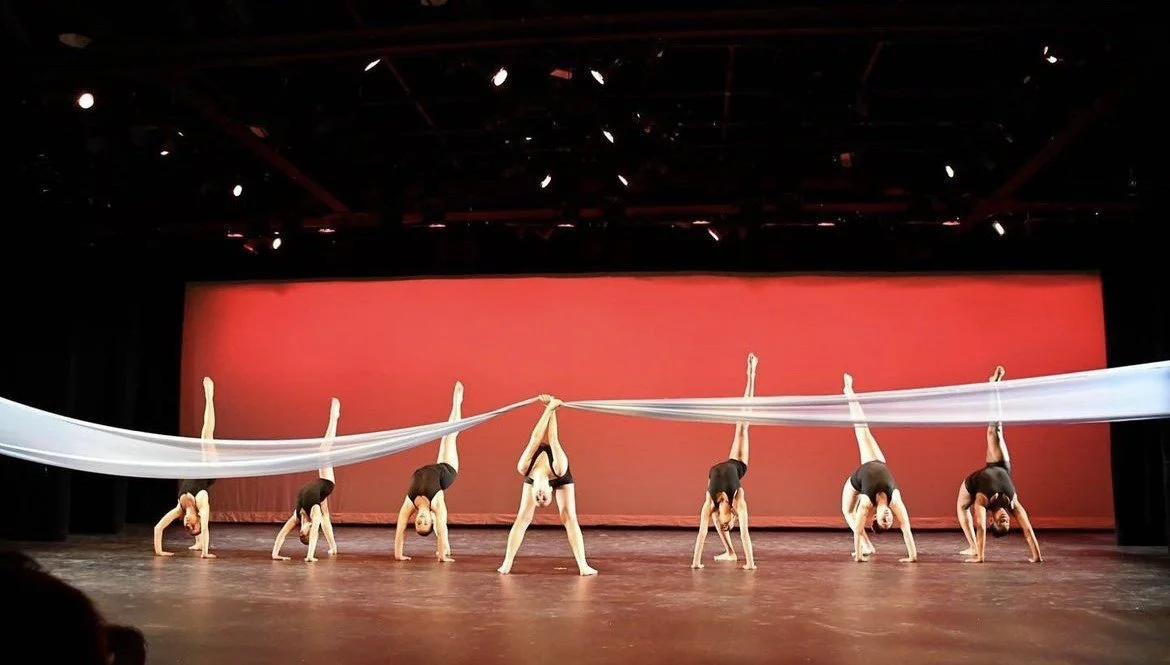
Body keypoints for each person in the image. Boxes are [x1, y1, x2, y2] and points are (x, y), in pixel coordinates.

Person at [497, 395, 597, 576]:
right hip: (560, 474)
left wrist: (549, 408)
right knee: (566, 516)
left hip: (537, 472)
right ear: (551, 490)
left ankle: (583, 565)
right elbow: (553, 438)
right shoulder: (559, 467)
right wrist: (552, 409)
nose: (541, 495)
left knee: (545, 517)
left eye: (538, 497)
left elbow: (535, 438)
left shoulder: (524, 467)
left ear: (533, 490)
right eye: (544, 498)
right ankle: (508, 563)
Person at [957, 365, 1043, 563]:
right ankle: (994, 385)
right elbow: (1028, 530)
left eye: (1000, 522)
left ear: (992, 521)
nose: (1005, 520)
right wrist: (1036, 557)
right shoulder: (1013, 504)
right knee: (995, 430)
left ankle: (972, 547)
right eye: (1007, 523)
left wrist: (981, 557)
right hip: (1000, 467)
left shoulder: (982, 502)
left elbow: (980, 527)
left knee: (961, 508)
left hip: (972, 482)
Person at [840, 373, 918, 563]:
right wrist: (912, 556)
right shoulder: (895, 501)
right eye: (890, 521)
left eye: (884, 521)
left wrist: (858, 556)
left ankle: (849, 392)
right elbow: (906, 528)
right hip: (879, 461)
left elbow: (858, 528)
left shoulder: (866, 503)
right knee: (864, 427)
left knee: (847, 511)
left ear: (875, 516)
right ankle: (849, 391)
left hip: (857, 480)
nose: (889, 519)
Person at [691, 352, 758, 571]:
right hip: (739, 465)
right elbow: (743, 533)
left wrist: (696, 562)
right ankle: (752, 375)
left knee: (741, 421)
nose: (732, 523)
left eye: (729, 523)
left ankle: (751, 374)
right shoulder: (736, 502)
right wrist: (750, 564)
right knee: (744, 424)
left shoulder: (712, 504)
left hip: (728, 461)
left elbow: (702, 533)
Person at [394, 381, 463, 563]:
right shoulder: (437, 505)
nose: (422, 520)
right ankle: (457, 402)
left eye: (418, 523)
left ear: (415, 519)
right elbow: (443, 530)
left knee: (445, 434)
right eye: (426, 523)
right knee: (451, 435)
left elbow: (400, 530)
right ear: (431, 520)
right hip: (447, 469)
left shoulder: (409, 505)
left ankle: (456, 403)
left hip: (434, 467)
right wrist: (442, 556)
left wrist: (398, 555)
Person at [154, 376, 217, 558]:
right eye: (192, 526)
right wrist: (206, 552)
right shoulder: (201, 501)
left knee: (205, 435)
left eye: (187, 528)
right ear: (197, 519)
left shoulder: (179, 508)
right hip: (209, 469)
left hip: (198, 466)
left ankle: (197, 544)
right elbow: (205, 526)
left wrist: (160, 552)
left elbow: (158, 528)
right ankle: (209, 397)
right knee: (206, 434)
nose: (187, 525)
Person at [272, 397, 341, 562]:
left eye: (307, 532)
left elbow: (282, 533)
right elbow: (316, 531)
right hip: (327, 483)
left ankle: (334, 547)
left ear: (302, 531)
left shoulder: (297, 515)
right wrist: (310, 556)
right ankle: (334, 418)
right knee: (324, 451)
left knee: (327, 518)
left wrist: (275, 554)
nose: (311, 529)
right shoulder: (313, 513)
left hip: (318, 491)